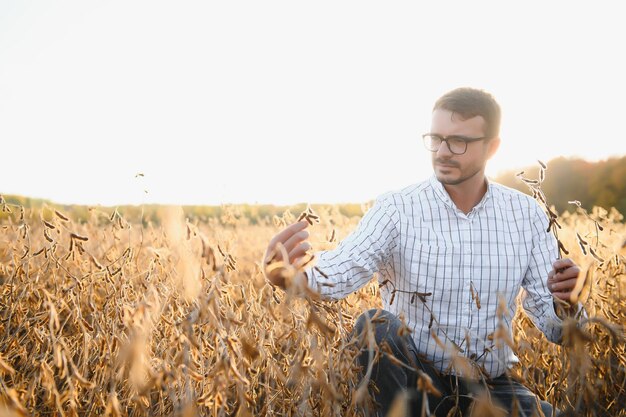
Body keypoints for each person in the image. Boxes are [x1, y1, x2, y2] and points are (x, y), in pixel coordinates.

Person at [263, 87, 581, 416]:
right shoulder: (397, 208)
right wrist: (287, 274)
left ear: (492, 148)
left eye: (459, 141)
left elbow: (560, 332)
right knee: (375, 325)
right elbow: (344, 268)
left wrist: (566, 305)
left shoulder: (526, 215)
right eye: (436, 138)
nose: (443, 151)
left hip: (491, 386)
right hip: (413, 379)